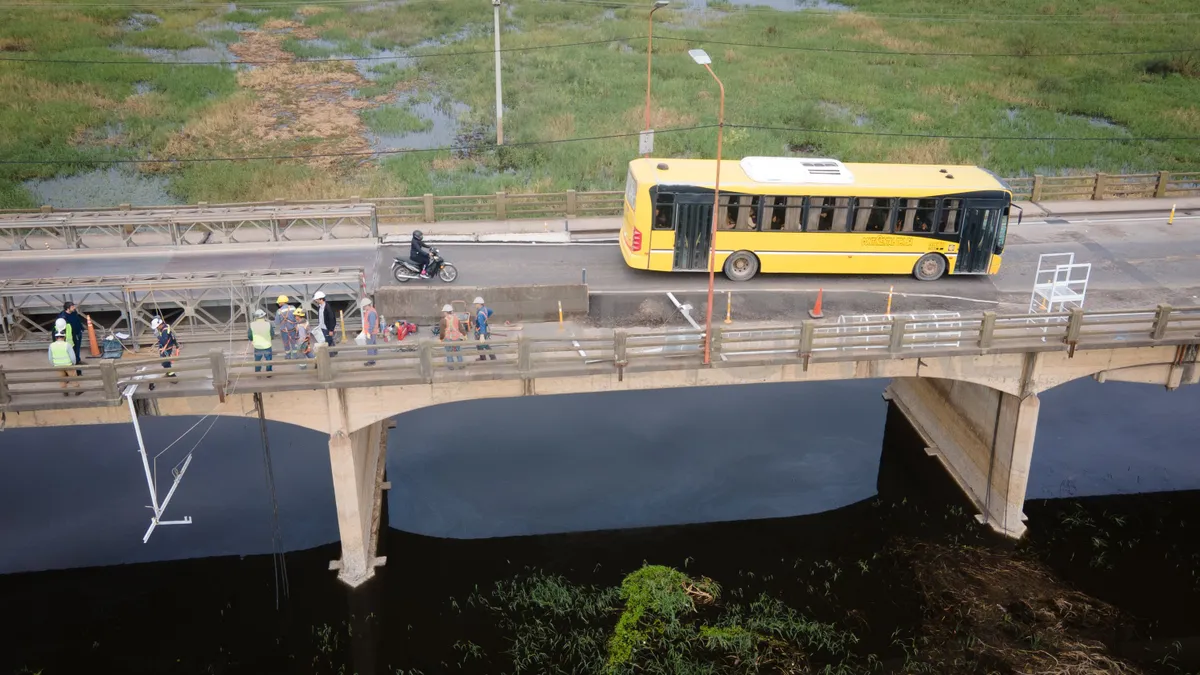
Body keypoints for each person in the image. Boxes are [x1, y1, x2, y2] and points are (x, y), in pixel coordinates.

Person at [57, 302, 85, 376]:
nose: (74, 308)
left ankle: (77, 361)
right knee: (73, 353)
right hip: (71, 338)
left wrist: (81, 328)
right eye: (72, 307)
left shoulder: (74, 313)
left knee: (77, 350)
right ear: (67, 308)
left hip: (77, 334)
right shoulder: (63, 317)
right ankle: (76, 369)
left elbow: (78, 320)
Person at [48, 330, 79, 397]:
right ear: (64, 337)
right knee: (73, 377)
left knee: (61, 379)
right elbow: (72, 356)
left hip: (58, 365)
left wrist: (53, 364)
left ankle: (65, 392)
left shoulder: (51, 345)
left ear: (56, 337)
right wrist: (74, 363)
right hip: (68, 364)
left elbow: (50, 357)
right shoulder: (67, 345)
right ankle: (77, 389)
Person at [248, 308, 275, 373]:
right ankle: (269, 372)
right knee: (268, 360)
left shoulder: (252, 324)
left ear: (255, 317)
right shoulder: (268, 324)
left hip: (257, 346)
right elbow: (272, 334)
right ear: (264, 316)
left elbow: (250, 336)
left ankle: (258, 372)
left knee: (257, 360)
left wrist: (252, 340)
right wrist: (270, 339)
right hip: (267, 345)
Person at [314, 291, 338, 356]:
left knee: (328, 341)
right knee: (328, 339)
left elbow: (332, 319)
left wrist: (331, 330)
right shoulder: (320, 307)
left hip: (326, 328)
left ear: (321, 299)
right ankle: (334, 351)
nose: (316, 301)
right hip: (322, 326)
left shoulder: (328, 308)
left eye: (317, 299)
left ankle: (331, 354)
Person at [274, 295, 298, 359]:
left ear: (282, 302)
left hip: (284, 330)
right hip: (293, 329)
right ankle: (295, 355)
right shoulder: (293, 308)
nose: (278, 303)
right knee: (294, 342)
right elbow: (297, 318)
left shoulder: (279, 311)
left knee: (286, 343)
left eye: (279, 302)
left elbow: (277, 322)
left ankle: (288, 356)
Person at [473, 296, 496, 361]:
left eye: (476, 304)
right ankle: (486, 357)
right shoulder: (485, 309)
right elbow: (491, 311)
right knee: (480, 345)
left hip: (480, 330)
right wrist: (486, 318)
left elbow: (482, 325)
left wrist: (482, 335)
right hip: (483, 329)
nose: (475, 305)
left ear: (479, 304)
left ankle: (489, 357)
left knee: (483, 344)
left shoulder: (480, 314)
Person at [361, 298, 379, 366]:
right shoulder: (370, 311)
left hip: (370, 332)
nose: (363, 308)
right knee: (373, 345)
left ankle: (371, 361)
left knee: (369, 346)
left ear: (367, 305)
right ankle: (375, 357)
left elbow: (371, 325)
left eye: (364, 306)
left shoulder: (371, 313)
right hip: (372, 332)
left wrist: (368, 333)